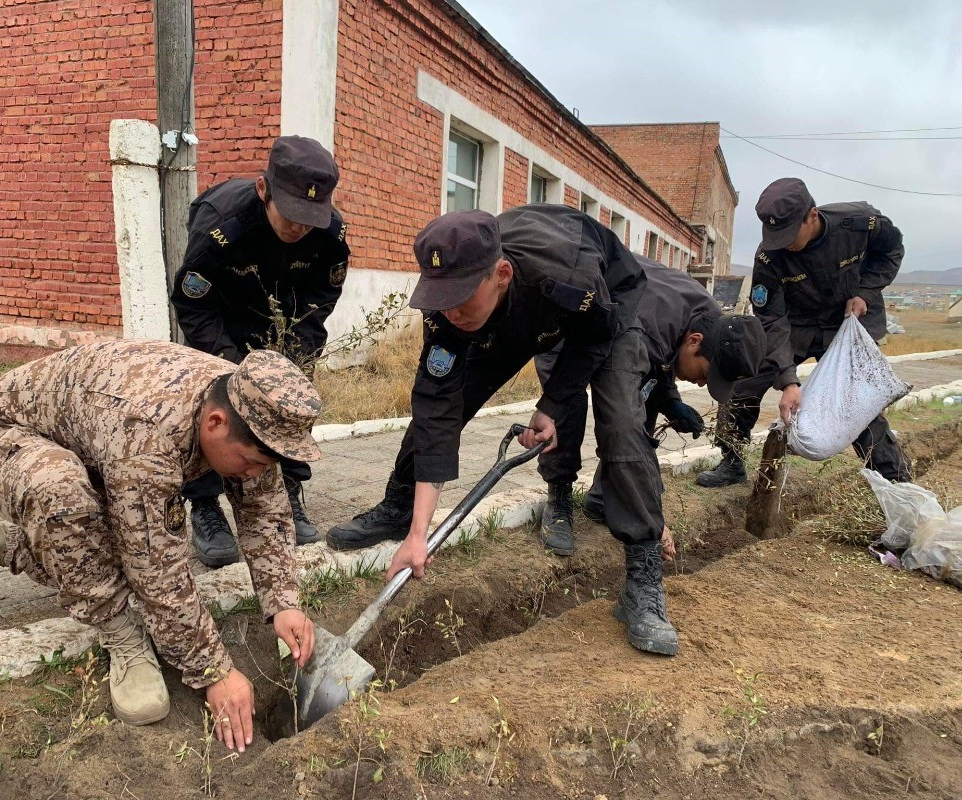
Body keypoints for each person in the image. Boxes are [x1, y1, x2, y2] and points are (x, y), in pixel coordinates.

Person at [327, 205, 683, 656]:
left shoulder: (569, 274)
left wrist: (552, 404)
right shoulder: (449, 306)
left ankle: (643, 579)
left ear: (501, 272)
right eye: (441, 298)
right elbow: (437, 407)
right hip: (512, 315)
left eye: (460, 297)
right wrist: (420, 532)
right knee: (437, 408)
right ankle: (399, 509)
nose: (449, 312)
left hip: (603, 309)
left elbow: (594, 337)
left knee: (621, 423)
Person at [0, 341, 319, 751]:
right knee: (66, 499)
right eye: (250, 461)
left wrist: (283, 601)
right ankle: (120, 633)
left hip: (91, 444)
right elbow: (156, 570)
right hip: (2, 440)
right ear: (215, 423)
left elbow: (264, 510)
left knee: (112, 535)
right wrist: (214, 672)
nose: (255, 473)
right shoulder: (147, 435)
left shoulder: (247, 403)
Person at [171, 135, 351, 563]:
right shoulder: (220, 226)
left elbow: (321, 298)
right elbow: (193, 303)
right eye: (291, 215)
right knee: (208, 408)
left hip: (282, 326)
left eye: (311, 216)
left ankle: (288, 493)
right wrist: (232, 365)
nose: (300, 227)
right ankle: (205, 506)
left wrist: (294, 352)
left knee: (290, 403)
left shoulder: (329, 234)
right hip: (221, 325)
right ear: (263, 189)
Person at [534, 255, 768, 555]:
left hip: (623, 319)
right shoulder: (650, 330)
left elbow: (661, 364)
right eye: (705, 374)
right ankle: (559, 499)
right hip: (567, 321)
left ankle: (604, 498)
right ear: (695, 341)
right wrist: (650, 512)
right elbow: (622, 421)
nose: (699, 384)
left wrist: (671, 401)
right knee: (569, 405)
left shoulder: (711, 319)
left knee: (643, 403)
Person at [697, 178, 911, 488]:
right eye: (774, 235)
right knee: (742, 378)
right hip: (795, 327)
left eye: (788, 234)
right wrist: (788, 380)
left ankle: (897, 484)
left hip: (846, 323)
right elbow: (771, 317)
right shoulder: (769, 256)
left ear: (812, 216)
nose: (782, 242)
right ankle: (731, 460)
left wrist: (865, 291)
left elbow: (892, 250)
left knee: (857, 404)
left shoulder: (859, 223)